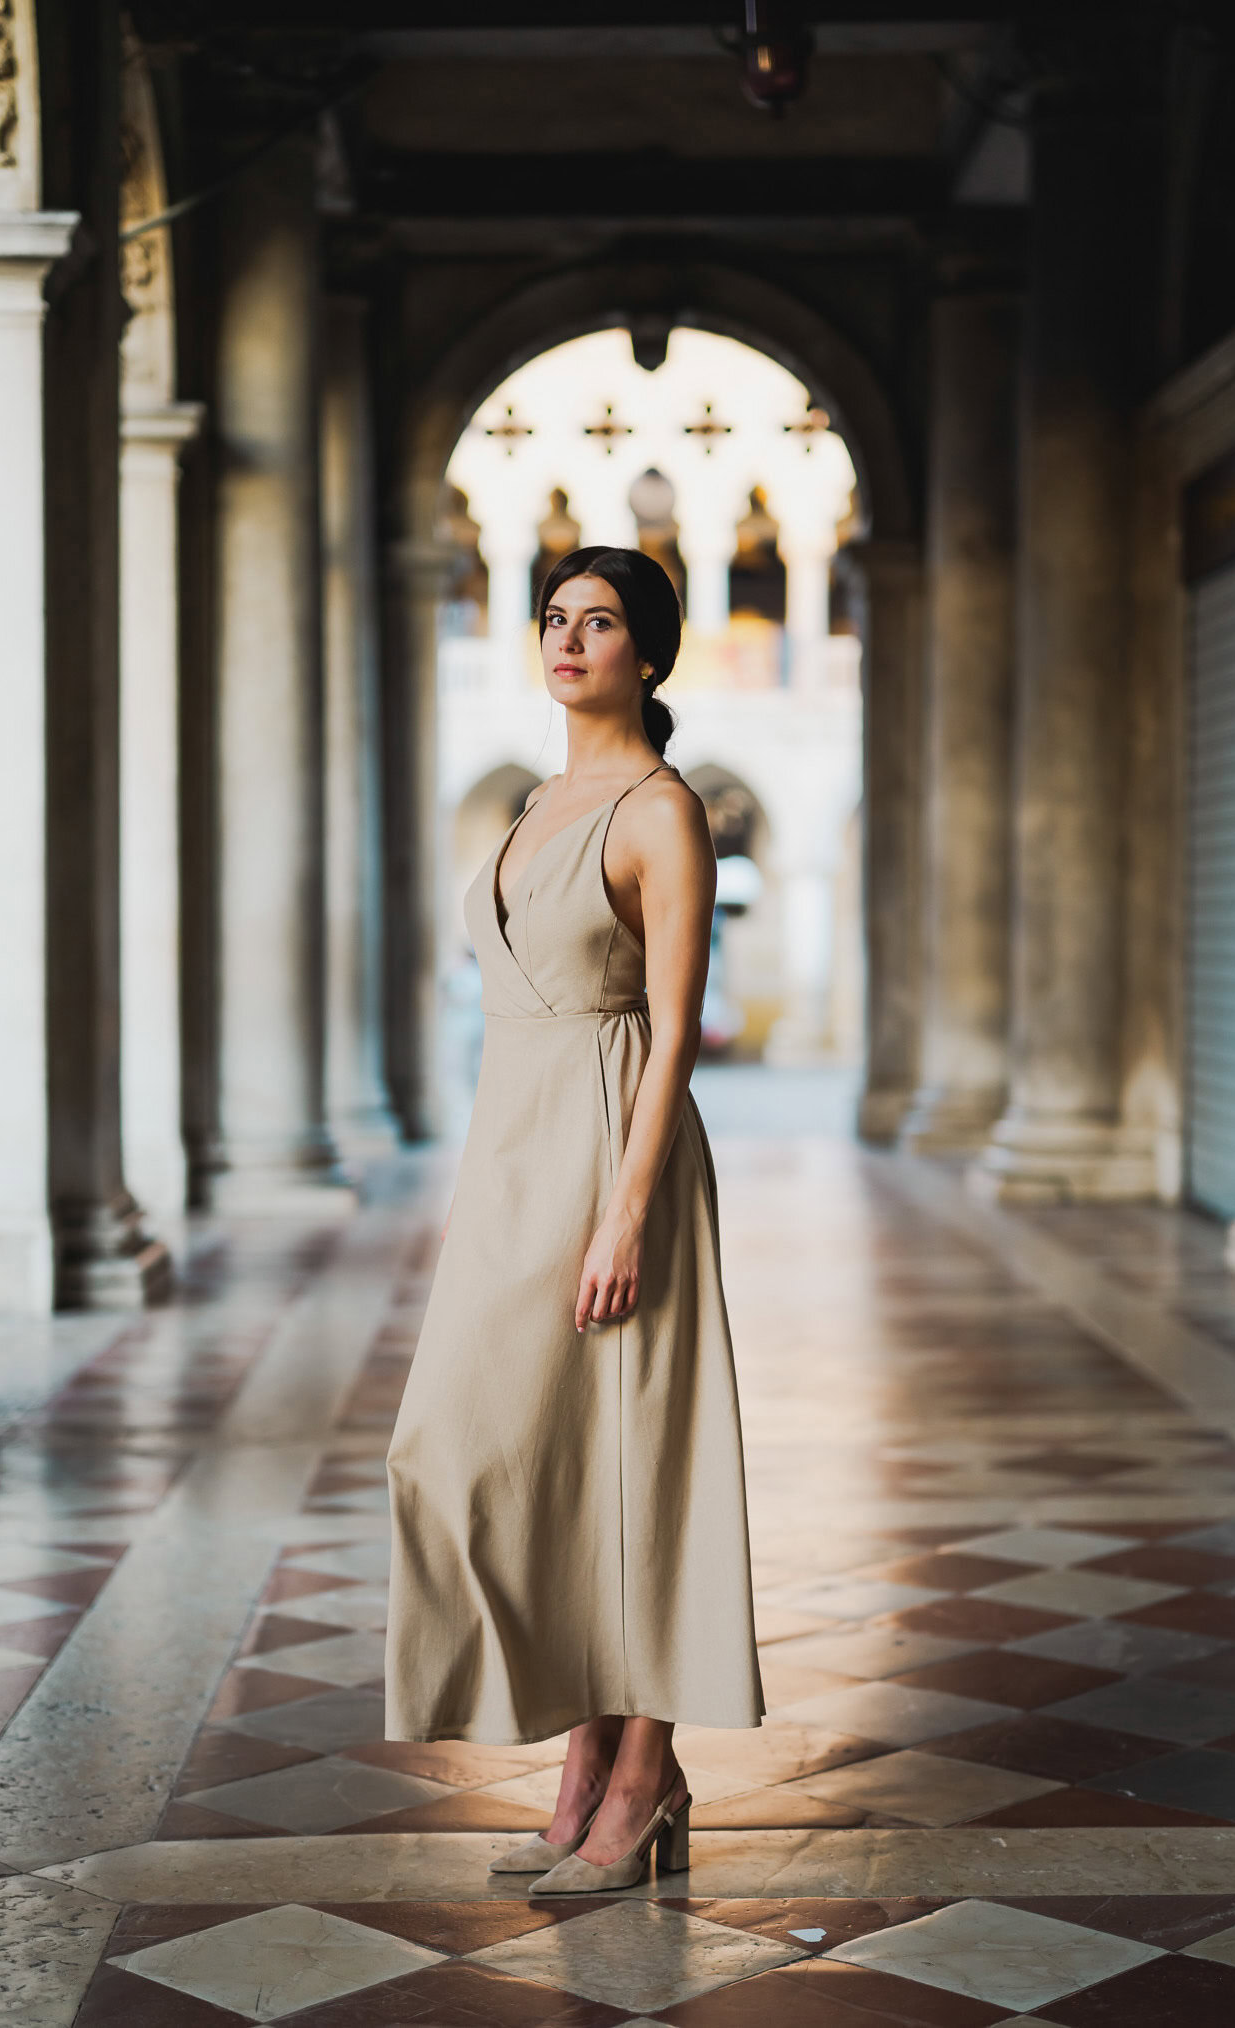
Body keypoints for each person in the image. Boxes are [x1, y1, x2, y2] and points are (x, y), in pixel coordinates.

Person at [384, 545, 764, 1894]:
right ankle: (585, 1759)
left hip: (617, 1147)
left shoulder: (663, 811)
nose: (569, 639)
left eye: (600, 622)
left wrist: (627, 1216)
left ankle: (641, 1773)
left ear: (648, 656)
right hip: (513, 1153)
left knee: (636, 1463)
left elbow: (672, 1036)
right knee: (459, 1448)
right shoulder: (535, 799)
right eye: (555, 617)